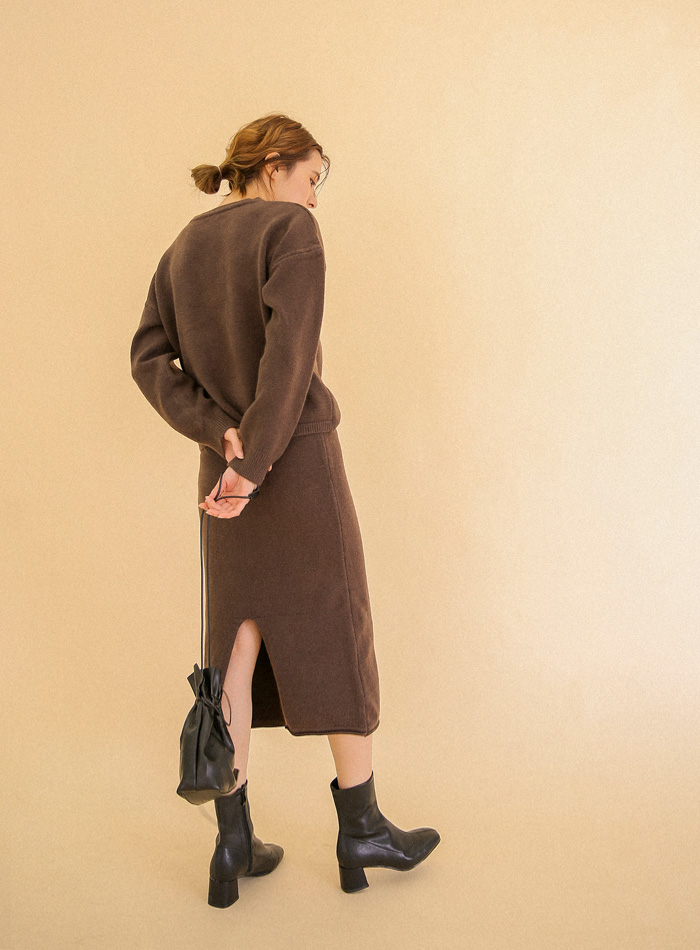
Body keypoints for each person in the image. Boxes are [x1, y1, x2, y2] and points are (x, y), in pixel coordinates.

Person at [130, 112, 440, 907]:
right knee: (337, 626)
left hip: (225, 470)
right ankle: (362, 826)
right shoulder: (290, 232)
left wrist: (223, 439)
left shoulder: (183, 247)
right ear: (274, 163)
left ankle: (232, 842)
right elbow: (290, 359)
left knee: (236, 644)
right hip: (292, 462)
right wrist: (259, 461)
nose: (314, 196)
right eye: (312, 177)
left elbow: (147, 358)